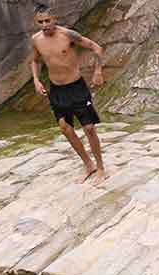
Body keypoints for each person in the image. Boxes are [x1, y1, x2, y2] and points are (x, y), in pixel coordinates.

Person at [29, 3, 108, 185]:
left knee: (89, 128)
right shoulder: (36, 39)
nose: (44, 24)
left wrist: (98, 71)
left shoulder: (68, 35)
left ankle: (101, 167)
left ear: (54, 19)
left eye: (47, 20)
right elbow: (34, 61)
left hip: (77, 88)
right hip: (57, 90)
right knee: (66, 129)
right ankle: (88, 165)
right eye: (40, 22)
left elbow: (96, 47)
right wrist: (35, 80)